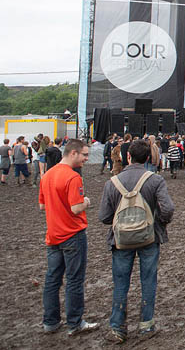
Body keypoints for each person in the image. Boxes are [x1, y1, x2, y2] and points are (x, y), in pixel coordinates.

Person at [98, 139, 175, 342]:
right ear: (149, 158)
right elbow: (168, 208)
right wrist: (159, 223)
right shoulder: (155, 180)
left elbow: (104, 217)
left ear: (127, 157)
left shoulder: (111, 183)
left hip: (121, 240)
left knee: (120, 282)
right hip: (149, 237)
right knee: (148, 280)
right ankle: (146, 325)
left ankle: (117, 327)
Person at [38, 139, 98, 336]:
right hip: (72, 234)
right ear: (73, 153)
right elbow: (75, 208)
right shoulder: (73, 178)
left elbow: (42, 205)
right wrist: (86, 202)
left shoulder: (47, 175)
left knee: (52, 279)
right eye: (84, 155)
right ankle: (74, 322)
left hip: (53, 235)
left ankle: (50, 322)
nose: (86, 159)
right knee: (74, 280)